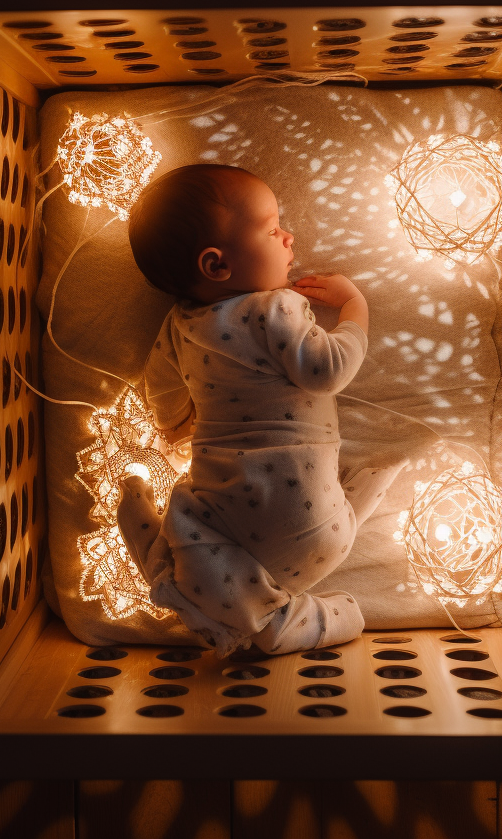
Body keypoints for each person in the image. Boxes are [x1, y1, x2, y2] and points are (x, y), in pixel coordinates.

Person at [121, 163, 402, 656]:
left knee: (189, 518)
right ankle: (254, 603)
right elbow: (327, 368)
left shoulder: (179, 327)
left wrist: (174, 423)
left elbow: (159, 386)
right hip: (314, 516)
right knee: (189, 525)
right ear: (216, 265)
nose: (289, 237)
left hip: (258, 519)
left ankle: (272, 613)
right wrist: (355, 306)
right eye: (273, 230)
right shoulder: (274, 308)